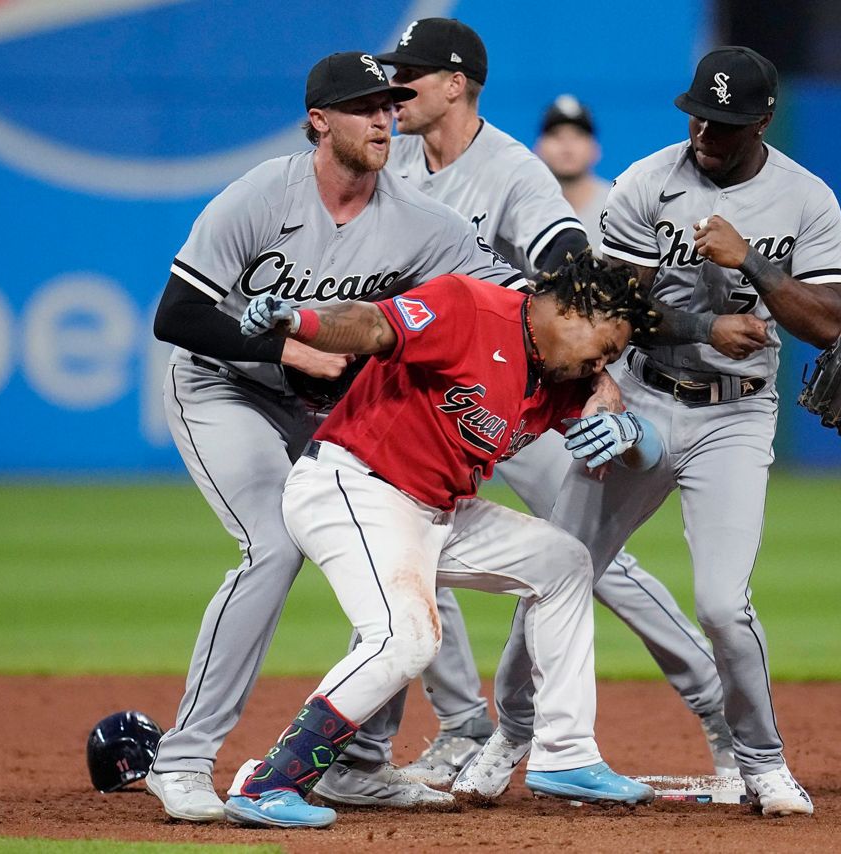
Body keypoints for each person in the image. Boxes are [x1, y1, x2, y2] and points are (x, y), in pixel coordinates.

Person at [336, 16, 734, 790]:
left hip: (519, 394)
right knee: (403, 556)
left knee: (589, 559)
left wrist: (596, 375)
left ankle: (717, 708)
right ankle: (448, 728)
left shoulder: (511, 173)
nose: (393, 91)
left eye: (408, 77)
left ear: (456, 84)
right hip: (428, 397)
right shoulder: (395, 164)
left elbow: (573, 267)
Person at [455, 46, 841, 818]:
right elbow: (619, 311)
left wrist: (753, 264)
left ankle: (763, 761)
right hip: (641, 401)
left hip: (736, 414)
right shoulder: (646, 182)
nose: (706, 131)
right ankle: (511, 734)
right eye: (699, 115)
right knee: (557, 567)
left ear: (763, 121)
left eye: (725, 123)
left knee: (723, 606)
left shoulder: (806, 198)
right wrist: (705, 324)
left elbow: (828, 322)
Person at [144, 50, 525, 822]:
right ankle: (182, 760)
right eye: (364, 107)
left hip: (327, 409)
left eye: (389, 106)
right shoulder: (261, 195)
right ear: (320, 120)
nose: (384, 119)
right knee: (273, 546)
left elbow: (517, 298)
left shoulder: (420, 221)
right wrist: (287, 348)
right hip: (224, 387)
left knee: (398, 550)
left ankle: (356, 763)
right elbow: (176, 316)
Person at [223, 254, 661, 829]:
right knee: (406, 640)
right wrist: (301, 322)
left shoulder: (561, 375)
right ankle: (270, 782)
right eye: (603, 349)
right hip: (354, 485)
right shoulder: (467, 306)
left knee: (563, 562)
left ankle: (565, 754)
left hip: (435, 512)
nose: (601, 365)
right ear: (572, 311)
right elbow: (371, 324)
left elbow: (647, 455)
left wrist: (631, 432)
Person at [535, 94, 612, 254]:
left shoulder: (620, 207)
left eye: (578, 135)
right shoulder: (522, 208)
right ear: (538, 149)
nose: (567, 146)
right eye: (556, 135)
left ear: (595, 149)